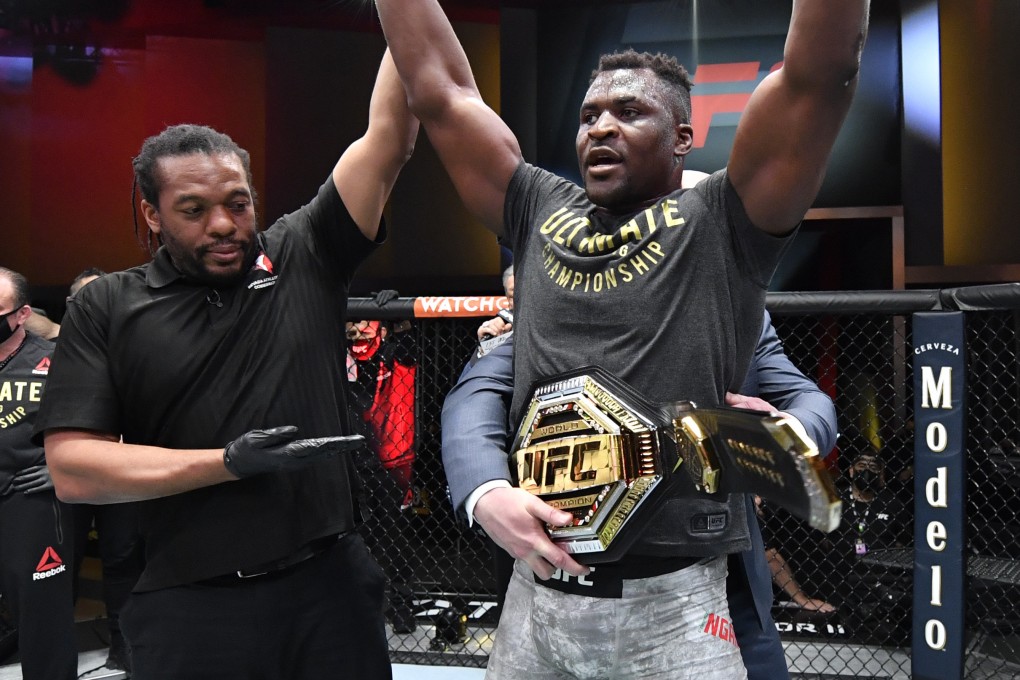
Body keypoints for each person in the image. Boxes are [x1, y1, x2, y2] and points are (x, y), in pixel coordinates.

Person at [378, 0, 868, 673]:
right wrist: (486, 489)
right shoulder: (535, 208)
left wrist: (792, 436)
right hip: (537, 598)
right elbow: (442, 92)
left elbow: (820, 73)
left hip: (677, 607)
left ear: (683, 137)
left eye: (629, 112)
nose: (601, 126)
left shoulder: (723, 222)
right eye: (588, 116)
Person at [33, 49, 418, 680]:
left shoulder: (303, 251)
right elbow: (74, 468)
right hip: (190, 601)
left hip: (330, 586)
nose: (223, 225)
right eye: (192, 210)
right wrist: (229, 464)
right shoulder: (107, 303)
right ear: (153, 215)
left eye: (238, 203)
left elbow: (391, 136)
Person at [443, 307, 837, 680]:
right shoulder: (560, 295)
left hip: (711, 567)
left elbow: (809, 400)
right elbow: (476, 390)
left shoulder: (734, 304)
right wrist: (486, 489)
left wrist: (788, 432)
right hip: (560, 568)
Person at [58, 267, 146, 675]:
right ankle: (54, 653)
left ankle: (124, 651)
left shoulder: (143, 349)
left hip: (122, 475)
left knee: (124, 563)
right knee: (59, 565)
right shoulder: (55, 351)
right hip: (72, 477)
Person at [0, 267, 77, 680]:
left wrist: (61, 467)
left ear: (22, 313)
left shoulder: (55, 360)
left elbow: (98, 421)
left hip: (27, 501)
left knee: (42, 613)